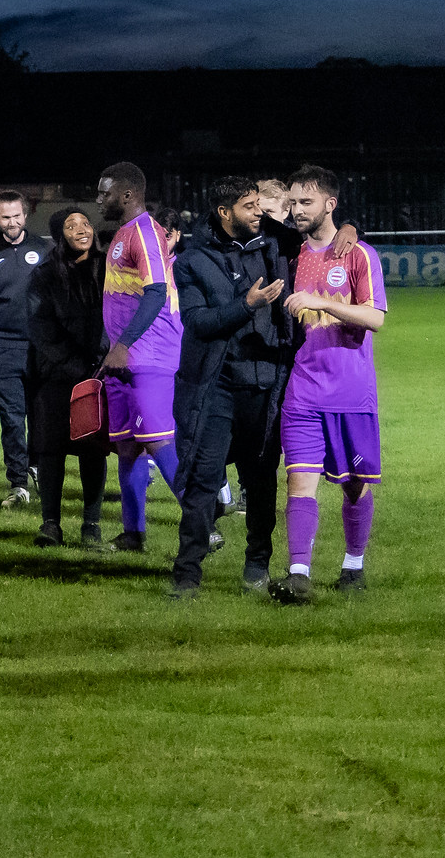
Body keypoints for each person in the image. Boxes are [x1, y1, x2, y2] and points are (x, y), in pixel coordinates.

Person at [272, 165, 388, 604]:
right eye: (293, 202)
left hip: (351, 392)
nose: (297, 210)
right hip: (303, 391)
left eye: (306, 202)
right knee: (298, 479)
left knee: (355, 484)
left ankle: (353, 565)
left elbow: (375, 318)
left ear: (330, 204)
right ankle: (298, 573)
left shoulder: (359, 255)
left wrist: (320, 301)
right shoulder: (291, 253)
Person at [169, 177, 289, 596]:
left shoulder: (272, 247)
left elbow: (322, 232)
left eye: (260, 204)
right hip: (215, 387)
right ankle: (187, 575)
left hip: (264, 383)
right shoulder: (191, 259)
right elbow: (198, 323)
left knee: (261, 481)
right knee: (204, 480)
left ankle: (257, 567)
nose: (260, 212)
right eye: (250, 205)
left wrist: (352, 231)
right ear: (225, 213)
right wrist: (247, 306)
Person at [95, 162, 185, 552]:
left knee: (157, 439)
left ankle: (202, 523)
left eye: (105, 192)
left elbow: (156, 291)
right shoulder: (123, 233)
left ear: (127, 195)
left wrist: (124, 344)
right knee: (127, 444)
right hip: (124, 356)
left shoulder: (146, 232)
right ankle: (133, 533)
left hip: (148, 353)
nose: (99, 199)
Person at [25, 208, 111, 547]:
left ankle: (91, 525)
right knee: (51, 449)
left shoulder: (108, 268)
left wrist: (99, 364)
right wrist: (73, 364)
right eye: (71, 225)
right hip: (55, 375)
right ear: (59, 234)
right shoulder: (45, 274)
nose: (81, 229)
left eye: (86, 223)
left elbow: (117, 314)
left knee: (93, 449)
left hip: (98, 375)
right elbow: (40, 327)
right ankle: (51, 524)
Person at [0, 190, 43, 508]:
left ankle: (38, 469)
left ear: (25, 215)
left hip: (41, 348)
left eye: (16, 215)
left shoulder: (44, 249)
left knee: (42, 417)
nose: (12, 222)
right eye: (5, 217)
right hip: (1, 347)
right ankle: (18, 484)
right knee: (12, 418)